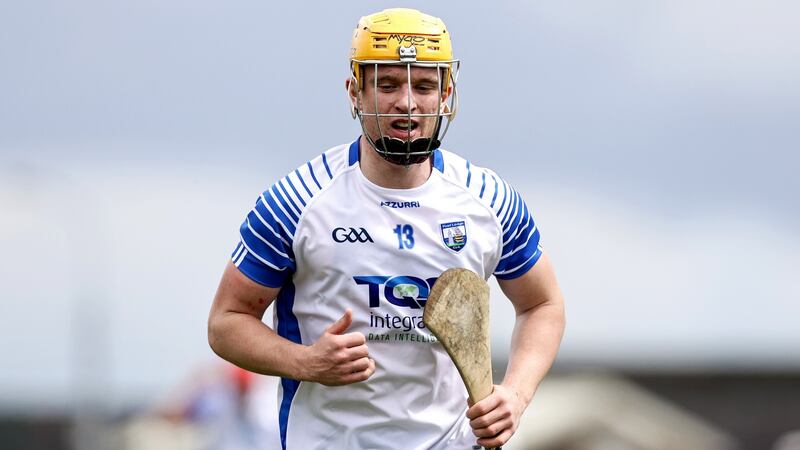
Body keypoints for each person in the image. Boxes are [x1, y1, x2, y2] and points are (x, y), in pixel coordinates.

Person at [208, 8, 565, 450]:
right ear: (355, 93)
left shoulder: (487, 200)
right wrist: (305, 362)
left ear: (447, 92)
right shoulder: (296, 200)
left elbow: (542, 305)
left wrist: (515, 394)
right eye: (388, 84)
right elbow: (226, 322)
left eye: (425, 85)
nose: (408, 103)